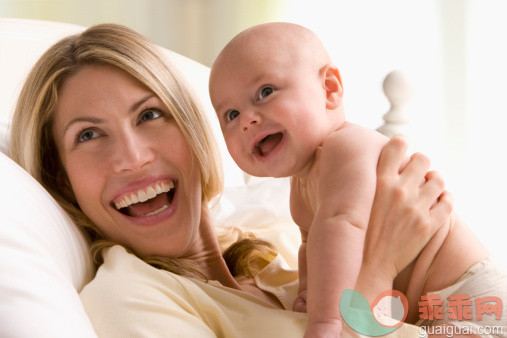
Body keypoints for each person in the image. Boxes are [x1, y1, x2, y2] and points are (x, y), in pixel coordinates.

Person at [8, 23, 461, 337]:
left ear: (193, 130)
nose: (132, 158)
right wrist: (379, 265)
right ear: (62, 181)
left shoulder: (272, 250)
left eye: (149, 115)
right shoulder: (129, 297)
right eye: (88, 135)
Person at [209, 22, 506, 337]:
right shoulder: (300, 185)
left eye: (265, 92)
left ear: (330, 89)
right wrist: (308, 292)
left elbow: (341, 227)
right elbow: (314, 247)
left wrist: (325, 320)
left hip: (472, 297)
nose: (247, 120)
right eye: (230, 115)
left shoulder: (345, 147)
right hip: (425, 312)